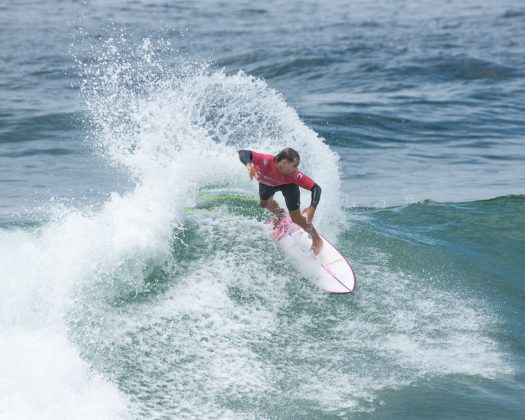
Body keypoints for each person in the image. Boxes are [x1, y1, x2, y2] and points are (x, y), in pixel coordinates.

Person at [238, 147, 323, 255]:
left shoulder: (294, 175)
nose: (296, 169)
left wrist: (313, 206)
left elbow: (316, 188)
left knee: (295, 217)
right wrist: (248, 165)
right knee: (264, 204)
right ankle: (280, 214)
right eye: (294, 166)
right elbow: (243, 153)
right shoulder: (266, 161)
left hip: (289, 186)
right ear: (284, 163)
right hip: (267, 183)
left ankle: (316, 239)